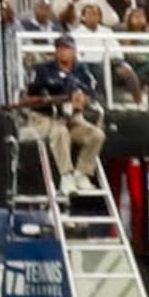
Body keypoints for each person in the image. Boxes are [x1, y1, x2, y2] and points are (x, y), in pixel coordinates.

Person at [21, 34, 105, 190]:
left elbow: (92, 94)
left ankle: (81, 174)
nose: (64, 52)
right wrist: (53, 99)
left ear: (74, 51)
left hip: (72, 119)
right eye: (60, 48)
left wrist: (83, 100)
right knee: (61, 132)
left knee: (96, 135)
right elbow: (29, 96)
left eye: (67, 48)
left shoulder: (82, 71)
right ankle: (66, 176)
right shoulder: (42, 70)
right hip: (45, 118)